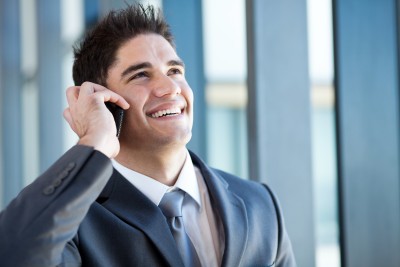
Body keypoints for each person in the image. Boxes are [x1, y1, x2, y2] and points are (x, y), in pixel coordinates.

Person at [0, 4, 296, 267]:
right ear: (104, 101)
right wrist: (95, 142)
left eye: (175, 70)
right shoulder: (73, 220)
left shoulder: (260, 203)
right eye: (141, 74)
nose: (170, 88)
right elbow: (14, 254)